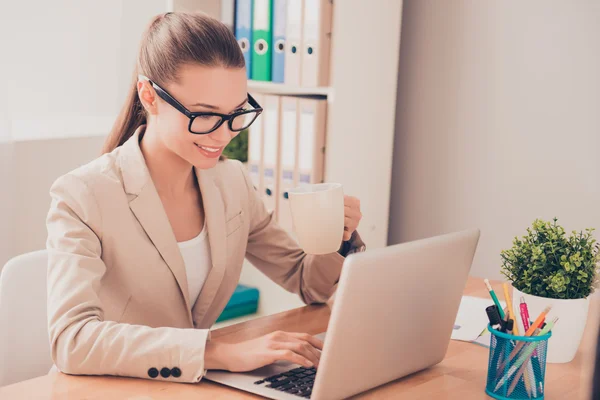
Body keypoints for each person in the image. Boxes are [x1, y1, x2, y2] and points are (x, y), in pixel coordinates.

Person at [45, 11, 365, 383]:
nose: (223, 134)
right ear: (149, 96)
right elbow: (72, 338)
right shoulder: (82, 195)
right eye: (204, 115)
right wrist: (214, 351)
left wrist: (337, 238)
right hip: (109, 389)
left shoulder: (232, 183)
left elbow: (307, 281)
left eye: (235, 113)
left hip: (194, 387)